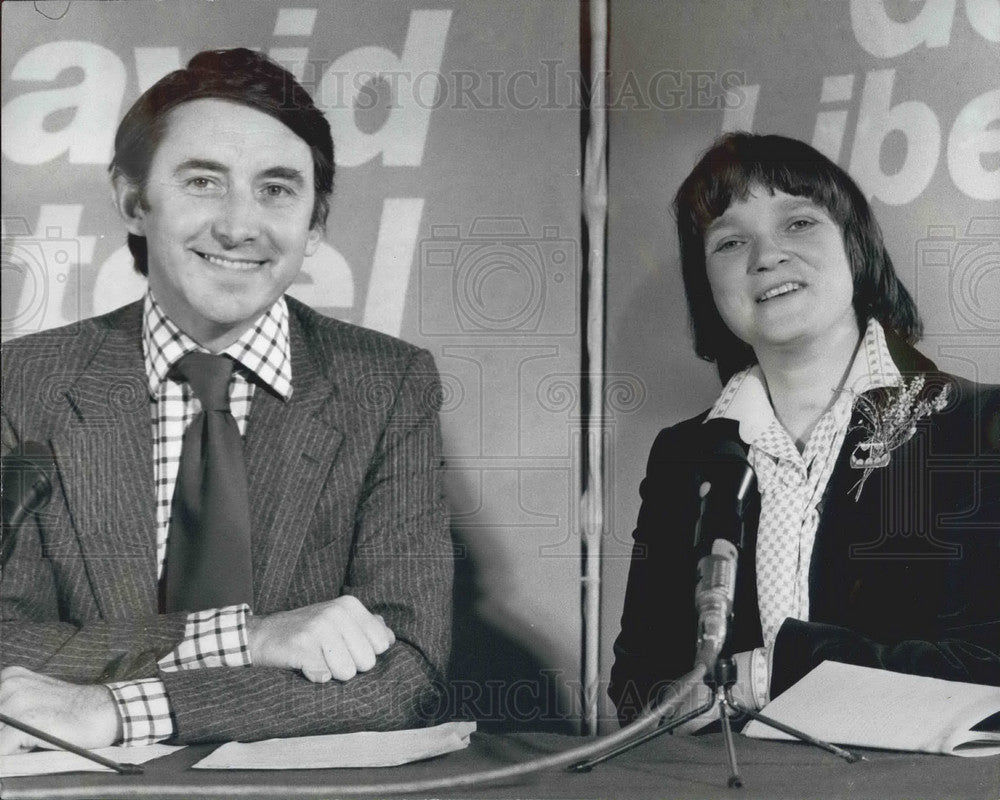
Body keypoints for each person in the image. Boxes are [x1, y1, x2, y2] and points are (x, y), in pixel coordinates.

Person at [0, 49, 452, 751]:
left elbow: (406, 668)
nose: (240, 225)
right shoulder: (21, 381)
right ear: (132, 200)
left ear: (317, 223)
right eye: (204, 181)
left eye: (277, 189)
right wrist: (245, 637)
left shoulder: (388, 386)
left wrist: (117, 709)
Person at [608, 132, 1000, 726]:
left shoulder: (975, 427)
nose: (765, 256)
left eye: (798, 223)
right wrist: (672, 706)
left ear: (857, 246)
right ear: (705, 285)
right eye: (730, 241)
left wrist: (773, 674)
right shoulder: (683, 456)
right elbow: (637, 679)